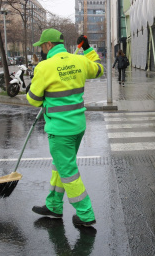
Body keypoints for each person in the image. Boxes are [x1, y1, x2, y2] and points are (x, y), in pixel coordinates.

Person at [27, 28, 103, 227]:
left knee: (68, 171)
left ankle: (86, 214)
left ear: (49, 45)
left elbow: (33, 100)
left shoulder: (44, 67)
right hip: (78, 126)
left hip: (60, 130)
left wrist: (35, 91)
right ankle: (53, 205)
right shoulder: (79, 60)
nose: (42, 50)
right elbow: (98, 68)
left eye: (42, 46)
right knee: (61, 166)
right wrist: (87, 49)